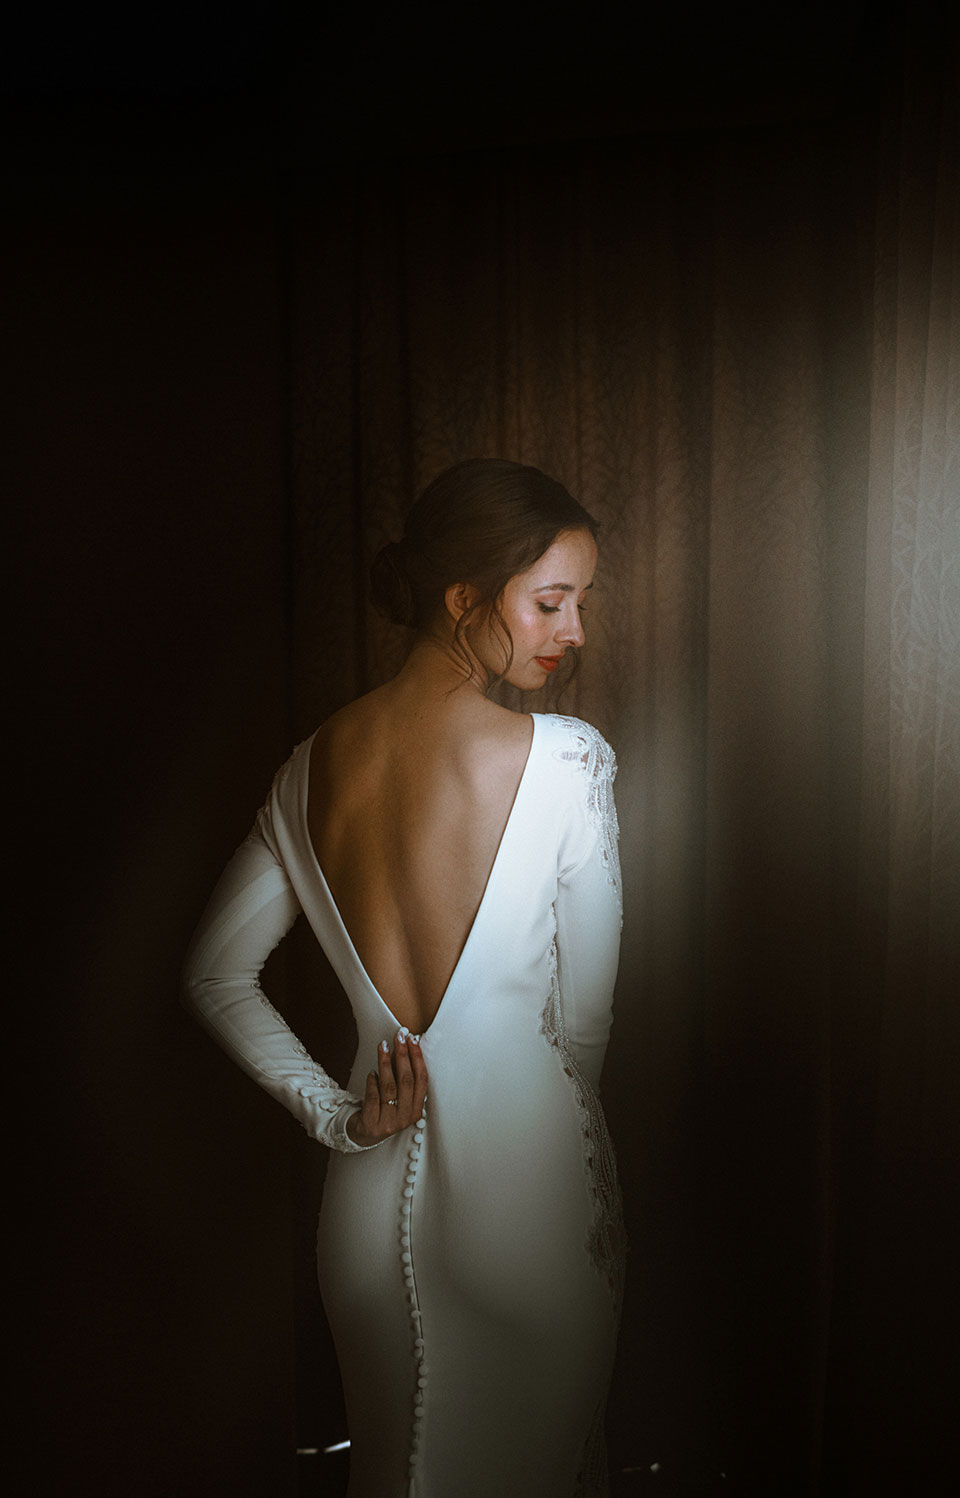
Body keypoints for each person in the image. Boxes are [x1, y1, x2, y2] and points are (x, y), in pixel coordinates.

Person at [182, 458, 624, 1498]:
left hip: (364, 1209)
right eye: (550, 601)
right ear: (463, 599)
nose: (574, 633)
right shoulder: (569, 761)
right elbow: (588, 1024)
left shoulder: (308, 769)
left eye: (579, 603)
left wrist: (338, 1117)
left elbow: (212, 976)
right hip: (531, 1182)